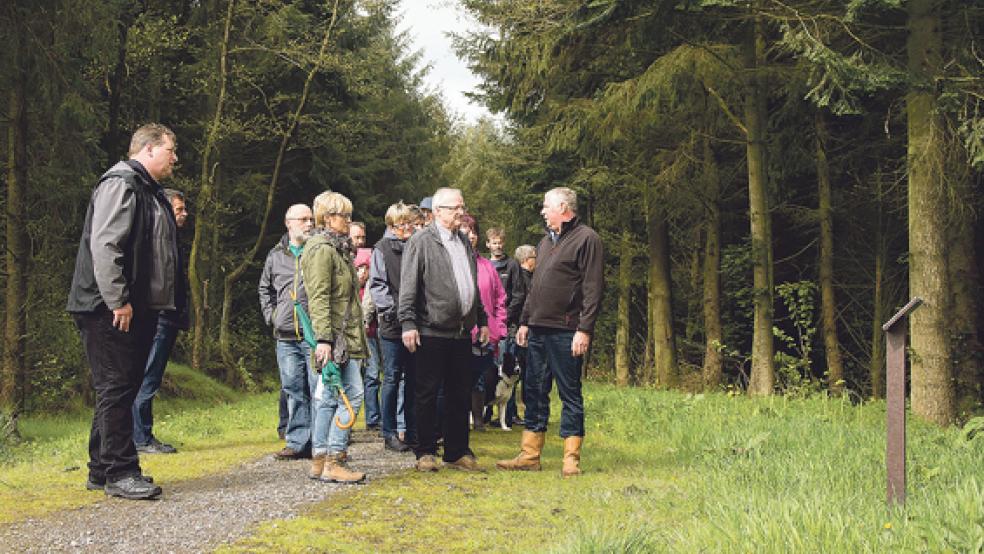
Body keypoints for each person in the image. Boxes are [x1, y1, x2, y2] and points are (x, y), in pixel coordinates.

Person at [67, 123, 179, 500]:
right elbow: (106, 246)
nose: (175, 158)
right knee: (116, 387)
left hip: (132, 306)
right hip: (108, 308)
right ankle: (120, 472)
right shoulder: (122, 183)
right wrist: (118, 300)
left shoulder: (148, 190)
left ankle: (101, 469)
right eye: (170, 150)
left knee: (121, 387)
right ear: (148, 149)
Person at [497, 187, 603, 477]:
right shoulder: (545, 243)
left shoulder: (587, 239)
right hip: (538, 331)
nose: (542, 211)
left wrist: (585, 329)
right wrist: (525, 322)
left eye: (546, 206)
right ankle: (530, 454)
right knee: (533, 390)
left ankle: (571, 459)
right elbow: (535, 289)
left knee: (570, 392)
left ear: (563, 207)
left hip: (567, 330)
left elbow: (593, 288)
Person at [399, 188, 489, 472]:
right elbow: (409, 284)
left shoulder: (463, 241)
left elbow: (470, 284)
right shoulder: (421, 241)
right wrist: (408, 322)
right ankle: (425, 451)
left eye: (462, 207)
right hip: (430, 329)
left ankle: (457, 451)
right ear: (437, 211)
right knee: (426, 393)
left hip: (462, 331)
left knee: (459, 393)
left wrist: (482, 319)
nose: (460, 213)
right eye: (454, 208)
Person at [302, 191, 368, 484]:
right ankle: (334, 458)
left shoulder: (337, 248)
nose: (349, 221)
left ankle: (320, 459)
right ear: (328, 218)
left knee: (329, 396)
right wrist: (324, 340)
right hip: (336, 339)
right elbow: (318, 297)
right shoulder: (321, 249)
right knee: (352, 394)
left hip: (343, 335)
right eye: (344, 216)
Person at [132, 188, 190, 455]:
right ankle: (140, 438)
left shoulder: (174, 241)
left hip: (168, 317)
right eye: (179, 209)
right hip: (159, 317)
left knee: (150, 378)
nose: (184, 215)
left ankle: (142, 435)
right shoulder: (159, 242)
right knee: (147, 378)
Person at [259, 204, 316, 460]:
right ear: (288, 222)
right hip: (285, 336)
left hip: (314, 335)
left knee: (319, 389)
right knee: (293, 388)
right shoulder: (275, 255)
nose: (309, 223)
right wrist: (272, 316)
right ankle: (296, 442)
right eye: (303, 219)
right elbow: (265, 289)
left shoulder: (318, 252)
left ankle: (321, 442)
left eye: (311, 219)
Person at [369, 201, 417, 452]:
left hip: (417, 323)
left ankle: (410, 430)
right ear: (392, 226)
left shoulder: (417, 244)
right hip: (391, 325)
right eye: (402, 224)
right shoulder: (382, 249)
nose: (407, 227)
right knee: (391, 377)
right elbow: (377, 285)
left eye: (410, 222)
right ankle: (388, 433)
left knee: (413, 379)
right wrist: (392, 311)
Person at [458, 215, 507, 432]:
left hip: (486, 334)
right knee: (458, 377)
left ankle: (478, 420)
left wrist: (499, 327)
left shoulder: (487, 266)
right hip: (458, 332)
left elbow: (500, 299)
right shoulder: (454, 263)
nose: (471, 235)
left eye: (474, 231)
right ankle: (457, 421)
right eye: (466, 231)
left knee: (480, 378)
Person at [504, 244, 536, 426]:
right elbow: (518, 302)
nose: (536, 260)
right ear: (525, 259)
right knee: (517, 370)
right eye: (534, 257)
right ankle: (511, 413)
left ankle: (517, 412)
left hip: (524, 327)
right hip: (518, 329)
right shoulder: (521, 278)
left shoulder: (533, 277)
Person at [355, 247, 381, 431]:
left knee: (373, 376)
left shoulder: (374, 286)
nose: (363, 272)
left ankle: (373, 418)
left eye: (367, 268)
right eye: (360, 268)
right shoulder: (350, 288)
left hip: (373, 336)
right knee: (353, 378)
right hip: (354, 338)